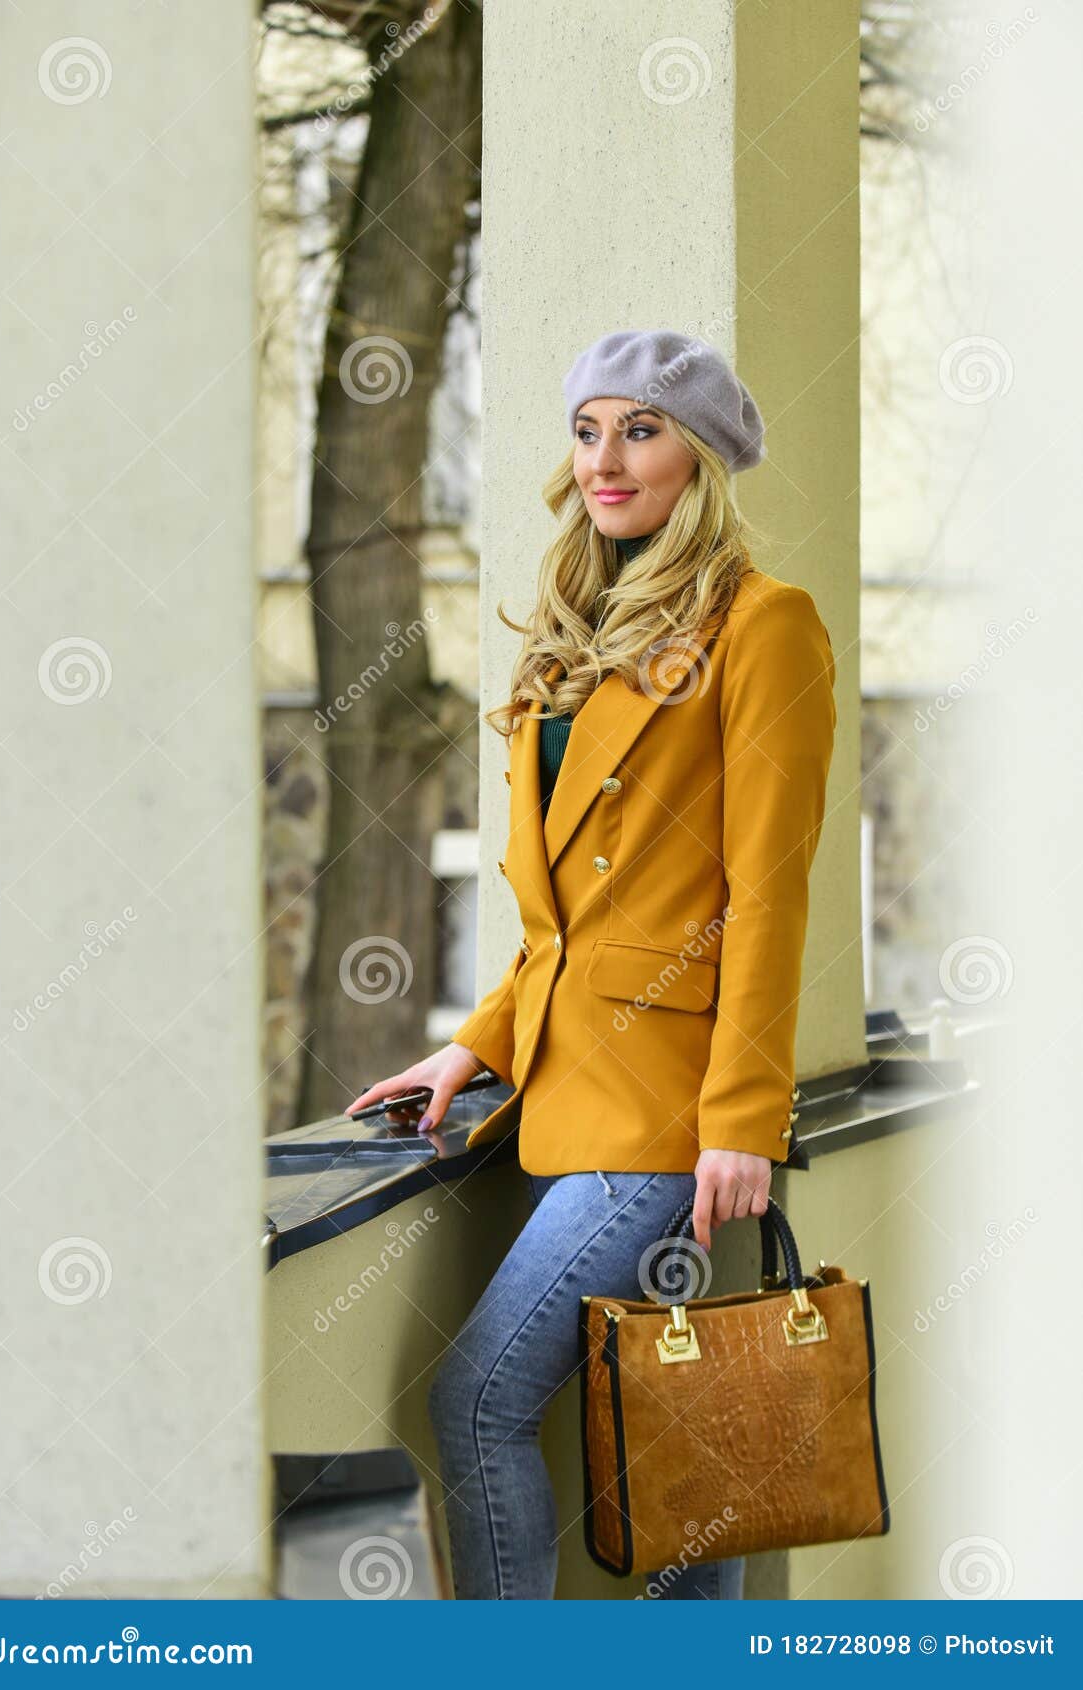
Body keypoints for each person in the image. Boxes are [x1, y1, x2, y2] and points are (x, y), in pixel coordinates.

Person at [347, 329, 838, 1599]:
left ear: (703, 457)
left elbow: (765, 896)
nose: (606, 458)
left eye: (642, 428)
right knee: (672, 1422)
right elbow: (560, 924)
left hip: (667, 1112)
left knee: (476, 1402)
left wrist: (740, 1120)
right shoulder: (577, 630)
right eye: (587, 430)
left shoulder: (764, 625)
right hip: (569, 1088)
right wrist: (475, 1043)